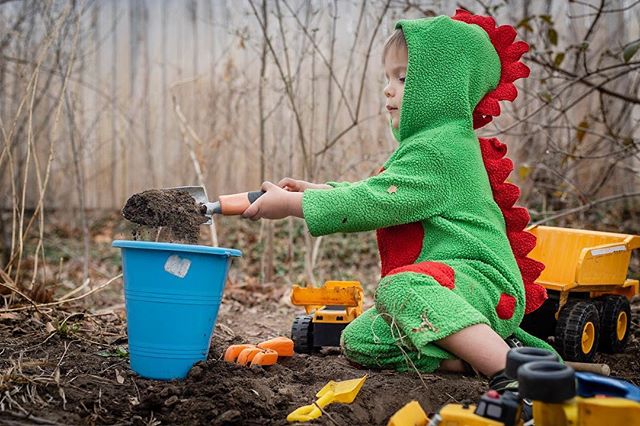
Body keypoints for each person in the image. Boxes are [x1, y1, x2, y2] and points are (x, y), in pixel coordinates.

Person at [242, 9, 556, 388]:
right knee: (360, 339)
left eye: (403, 78)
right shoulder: (432, 143)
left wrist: (294, 206)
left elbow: (377, 202)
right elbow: (383, 191)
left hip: (479, 279)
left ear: (442, 88)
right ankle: (474, 354)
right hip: (448, 284)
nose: (389, 89)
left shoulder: (441, 150)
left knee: (400, 288)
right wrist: (322, 192)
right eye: (387, 79)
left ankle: (513, 373)